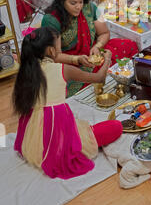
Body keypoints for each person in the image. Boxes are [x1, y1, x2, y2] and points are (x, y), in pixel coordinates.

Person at [13, 27, 122, 180]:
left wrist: (78, 60)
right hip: (56, 126)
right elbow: (99, 78)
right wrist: (108, 59)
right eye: (59, 46)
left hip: (32, 132)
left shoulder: (27, 69)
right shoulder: (63, 69)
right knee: (116, 126)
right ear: (51, 51)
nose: (61, 49)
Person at [41, 0, 139, 97]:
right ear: (62, 2)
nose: (78, 7)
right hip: (68, 62)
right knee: (70, 90)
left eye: (81, 2)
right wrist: (77, 59)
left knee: (129, 45)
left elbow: (104, 33)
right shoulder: (51, 20)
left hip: (92, 54)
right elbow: (55, 56)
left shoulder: (90, 7)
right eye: (73, 3)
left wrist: (97, 46)